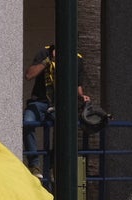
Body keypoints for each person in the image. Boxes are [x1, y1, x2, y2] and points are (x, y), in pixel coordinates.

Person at [22, 44, 89, 173]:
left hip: (61, 105)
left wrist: (82, 96)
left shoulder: (77, 59)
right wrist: (48, 61)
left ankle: (54, 165)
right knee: (28, 122)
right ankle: (34, 164)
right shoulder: (44, 53)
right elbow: (29, 75)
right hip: (40, 102)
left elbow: (77, 85)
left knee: (65, 128)